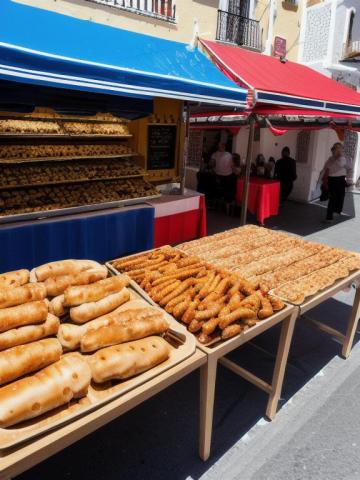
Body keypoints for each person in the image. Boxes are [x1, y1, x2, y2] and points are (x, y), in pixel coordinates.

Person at [322, 142, 353, 223]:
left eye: (338, 148)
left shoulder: (337, 159)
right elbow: (349, 168)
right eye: (336, 148)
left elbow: (349, 168)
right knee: (337, 198)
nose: (337, 150)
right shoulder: (340, 159)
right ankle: (331, 215)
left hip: (335, 180)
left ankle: (331, 216)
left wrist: (349, 180)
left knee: (335, 198)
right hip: (337, 181)